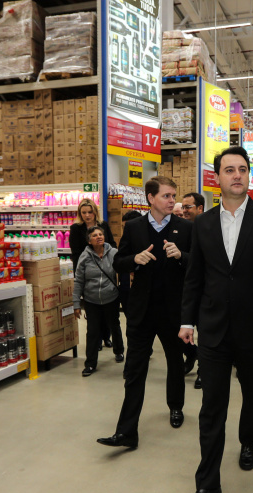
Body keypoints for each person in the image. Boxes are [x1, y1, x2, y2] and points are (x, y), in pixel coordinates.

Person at [177, 146, 253, 493]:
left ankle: (248, 440)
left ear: (248, 176)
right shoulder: (204, 224)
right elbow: (195, 277)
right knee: (212, 407)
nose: (237, 175)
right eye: (229, 170)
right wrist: (186, 320)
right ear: (218, 178)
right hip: (213, 329)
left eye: (243, 169)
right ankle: (208, 486)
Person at [96, 176, 192, 449]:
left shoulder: (185, 228)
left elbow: (199, 263)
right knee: (134, 370)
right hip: (141, 312)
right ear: (151, 198)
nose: (173, 201)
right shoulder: (135, 227)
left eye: (174, 196)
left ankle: (175, 406)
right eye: (167, 196)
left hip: (173, 311)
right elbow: (118, 261)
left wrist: (182, 256)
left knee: (175, 362)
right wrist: (134, 261)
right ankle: (127, 432)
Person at [72, 227, 125, 376]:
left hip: (111, 297)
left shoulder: (113, 253)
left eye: (101, 234)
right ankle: (90, 364)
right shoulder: (84, 257)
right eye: (95, 235)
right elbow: (78, 281)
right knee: (93, 332)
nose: (99, 237)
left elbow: (123, 271)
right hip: (91, 300)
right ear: (89, 240)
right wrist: (76, 304)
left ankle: (119, 350)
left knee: (114, 325)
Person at [70, 198, 116, 350]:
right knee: (93, 309)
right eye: (84, 213)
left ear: (95, 212)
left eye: (90, 212)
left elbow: (112, 245)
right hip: (88, 271)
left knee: (108, 308)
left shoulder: (103, 226)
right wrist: (80, 271)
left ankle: (106, 337)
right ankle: (96, 340)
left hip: (105, 268)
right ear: (80, 213)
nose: (87, 215)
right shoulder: (76, 229)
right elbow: (75, 252)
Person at [180, 192, 206, 389]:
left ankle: (203, 372)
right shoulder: (181, 228)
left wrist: (181, 255)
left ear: (200, 208)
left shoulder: (208, 229)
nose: (184, 210)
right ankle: (191, 354)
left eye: (188, 207)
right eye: (183, 206)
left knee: (205, 333)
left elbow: (202, 263)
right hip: (183, 289)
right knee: (180, 329)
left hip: (205, 291)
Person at [117, 210, 144, 314]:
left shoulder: (147, 242)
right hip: (126, 289)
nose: (125, 231)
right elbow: (118, 263)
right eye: (124, 228)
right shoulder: (124, 243)